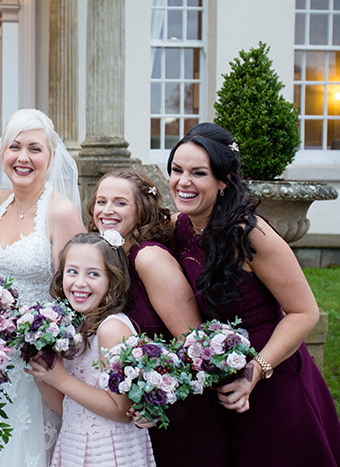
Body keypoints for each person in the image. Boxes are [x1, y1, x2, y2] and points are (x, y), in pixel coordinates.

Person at [168, 122, 340, 467]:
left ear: (224, 181)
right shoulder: (180, 226)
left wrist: (255, 371)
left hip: (275, 378)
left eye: (198, 173)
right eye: (177, 170)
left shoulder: (250, 234)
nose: (183, 181)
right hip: (222, 384)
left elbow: (304, 312)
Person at [86, 168, 230, 465]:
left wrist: (158, 399)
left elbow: (193, 345)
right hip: (136, 415)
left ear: (142, 209)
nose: (107, 210)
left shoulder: (149, 258)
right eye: (101, 201)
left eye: (120, 202)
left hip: (177, 414)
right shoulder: (108, 256)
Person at [0, 108, 85, 466]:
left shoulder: (61, 212)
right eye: (15, 147)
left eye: (35, 149)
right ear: (2, 153)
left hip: (34, 360)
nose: (23, 158)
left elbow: (78, 296)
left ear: (51, 157)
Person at [26, 232, 156, 467]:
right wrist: (44, 376)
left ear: (112, 281)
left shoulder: (112, 328)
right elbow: (69, 408)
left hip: (110, 449)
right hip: (76, 443)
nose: (79, 283)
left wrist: (61, 379)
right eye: (72, 271)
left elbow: (121, 410)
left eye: (93, 274)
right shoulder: (72, 326)